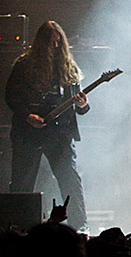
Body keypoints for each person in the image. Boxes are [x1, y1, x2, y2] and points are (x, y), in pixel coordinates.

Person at [4, 20, 89, 232]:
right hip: (28, 133)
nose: (56, 47)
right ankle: (16, 227)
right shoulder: (24, 65)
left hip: (59, 134)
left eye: (59, 42)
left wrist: (83, 104)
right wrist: (27, 115)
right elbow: (10, 96)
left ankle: (79, 226)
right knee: (22, 182)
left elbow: (80, 107)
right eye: (51, 42)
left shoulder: (68, 68)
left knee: (69, 178)